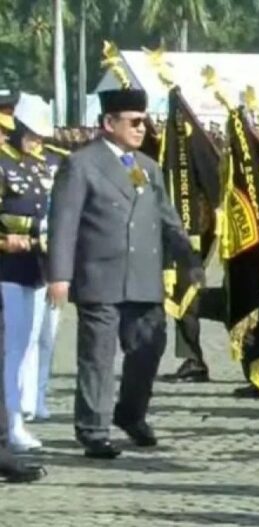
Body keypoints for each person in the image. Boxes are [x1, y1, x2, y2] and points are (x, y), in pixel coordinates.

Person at [47, 88, 202, 459]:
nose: (142, 128)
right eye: (133, 122)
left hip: (144, 278)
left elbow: (168, 219)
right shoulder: (81, 164)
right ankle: (93, 429)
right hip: (100, 276)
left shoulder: (144, 167)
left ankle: (130, 414)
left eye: (144, 122)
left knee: (148, 349)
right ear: (108, 123)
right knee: (98, 357)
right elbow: (64, 223)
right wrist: (59, 276)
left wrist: (190, 259)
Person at [0, 95, 61, 451]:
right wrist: (6, 241)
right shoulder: (3, 164)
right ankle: (14, 422)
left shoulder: (39, 165)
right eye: (33, 135)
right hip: (8, 265)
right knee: (15, 346)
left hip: (37, 265)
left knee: (35, 339)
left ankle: (27, 405)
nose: (38, 142)